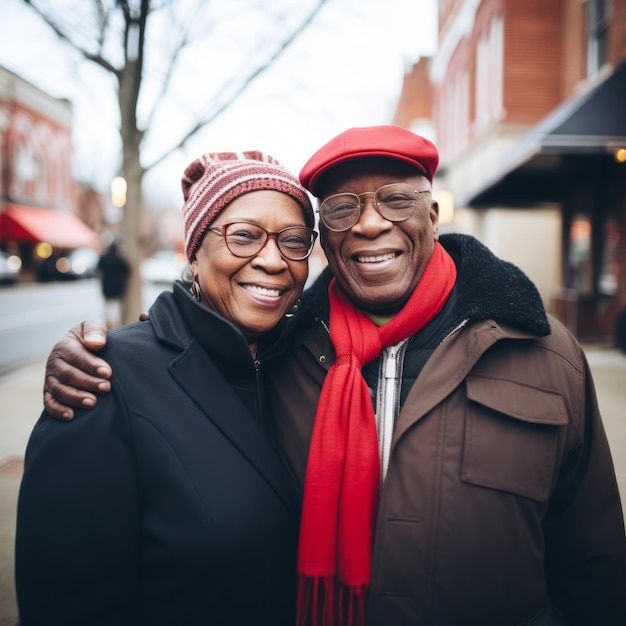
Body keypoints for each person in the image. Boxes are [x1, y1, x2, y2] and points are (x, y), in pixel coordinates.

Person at [41, 126, 626, 626]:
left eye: (396, 200)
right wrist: (114, 351)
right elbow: (196, 351)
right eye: (343, 209)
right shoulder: (284, 352)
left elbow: (594, 563)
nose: (370, 225)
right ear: (327, 234)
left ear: (433, 213)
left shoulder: (546, 355)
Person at [15, 151, 318, 625]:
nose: (274, 260)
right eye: (243, 236)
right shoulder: (105, 380)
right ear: (194, 252)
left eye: (294, 240)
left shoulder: (312, 365)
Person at [96, 241, 131, 328]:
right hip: (117, 289)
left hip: (106, 288)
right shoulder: (120, 260)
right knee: (116, 310)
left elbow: (98, 269)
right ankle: (115, 326)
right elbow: (128, 270)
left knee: (107, 310)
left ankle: (108, 325)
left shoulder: (104, 258)